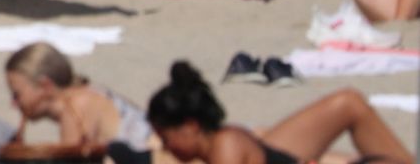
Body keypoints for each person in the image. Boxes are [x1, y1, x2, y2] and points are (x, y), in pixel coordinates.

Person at [147, 61, 414, 164]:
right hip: (280, 156)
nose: (165, 146)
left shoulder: (226, 147)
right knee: (347, 102)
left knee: (349, 103)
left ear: (191, 125)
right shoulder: (227, 137)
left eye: (165, 136)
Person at [5, 43, 153, 154]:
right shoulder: (88, 92)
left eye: (17, 94)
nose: (14, 103)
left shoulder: (73, 108)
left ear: (45, 86)